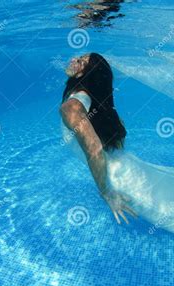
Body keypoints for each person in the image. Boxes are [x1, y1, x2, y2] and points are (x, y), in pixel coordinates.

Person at [60, 53, 137, 225]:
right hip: (115, 169)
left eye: (81, 62)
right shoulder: (97, 103)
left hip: (110, 176)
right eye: (78, 57)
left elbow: (94, 149)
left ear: (85, 74)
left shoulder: (71, 107)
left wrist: (106, 193)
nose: (73, 59)